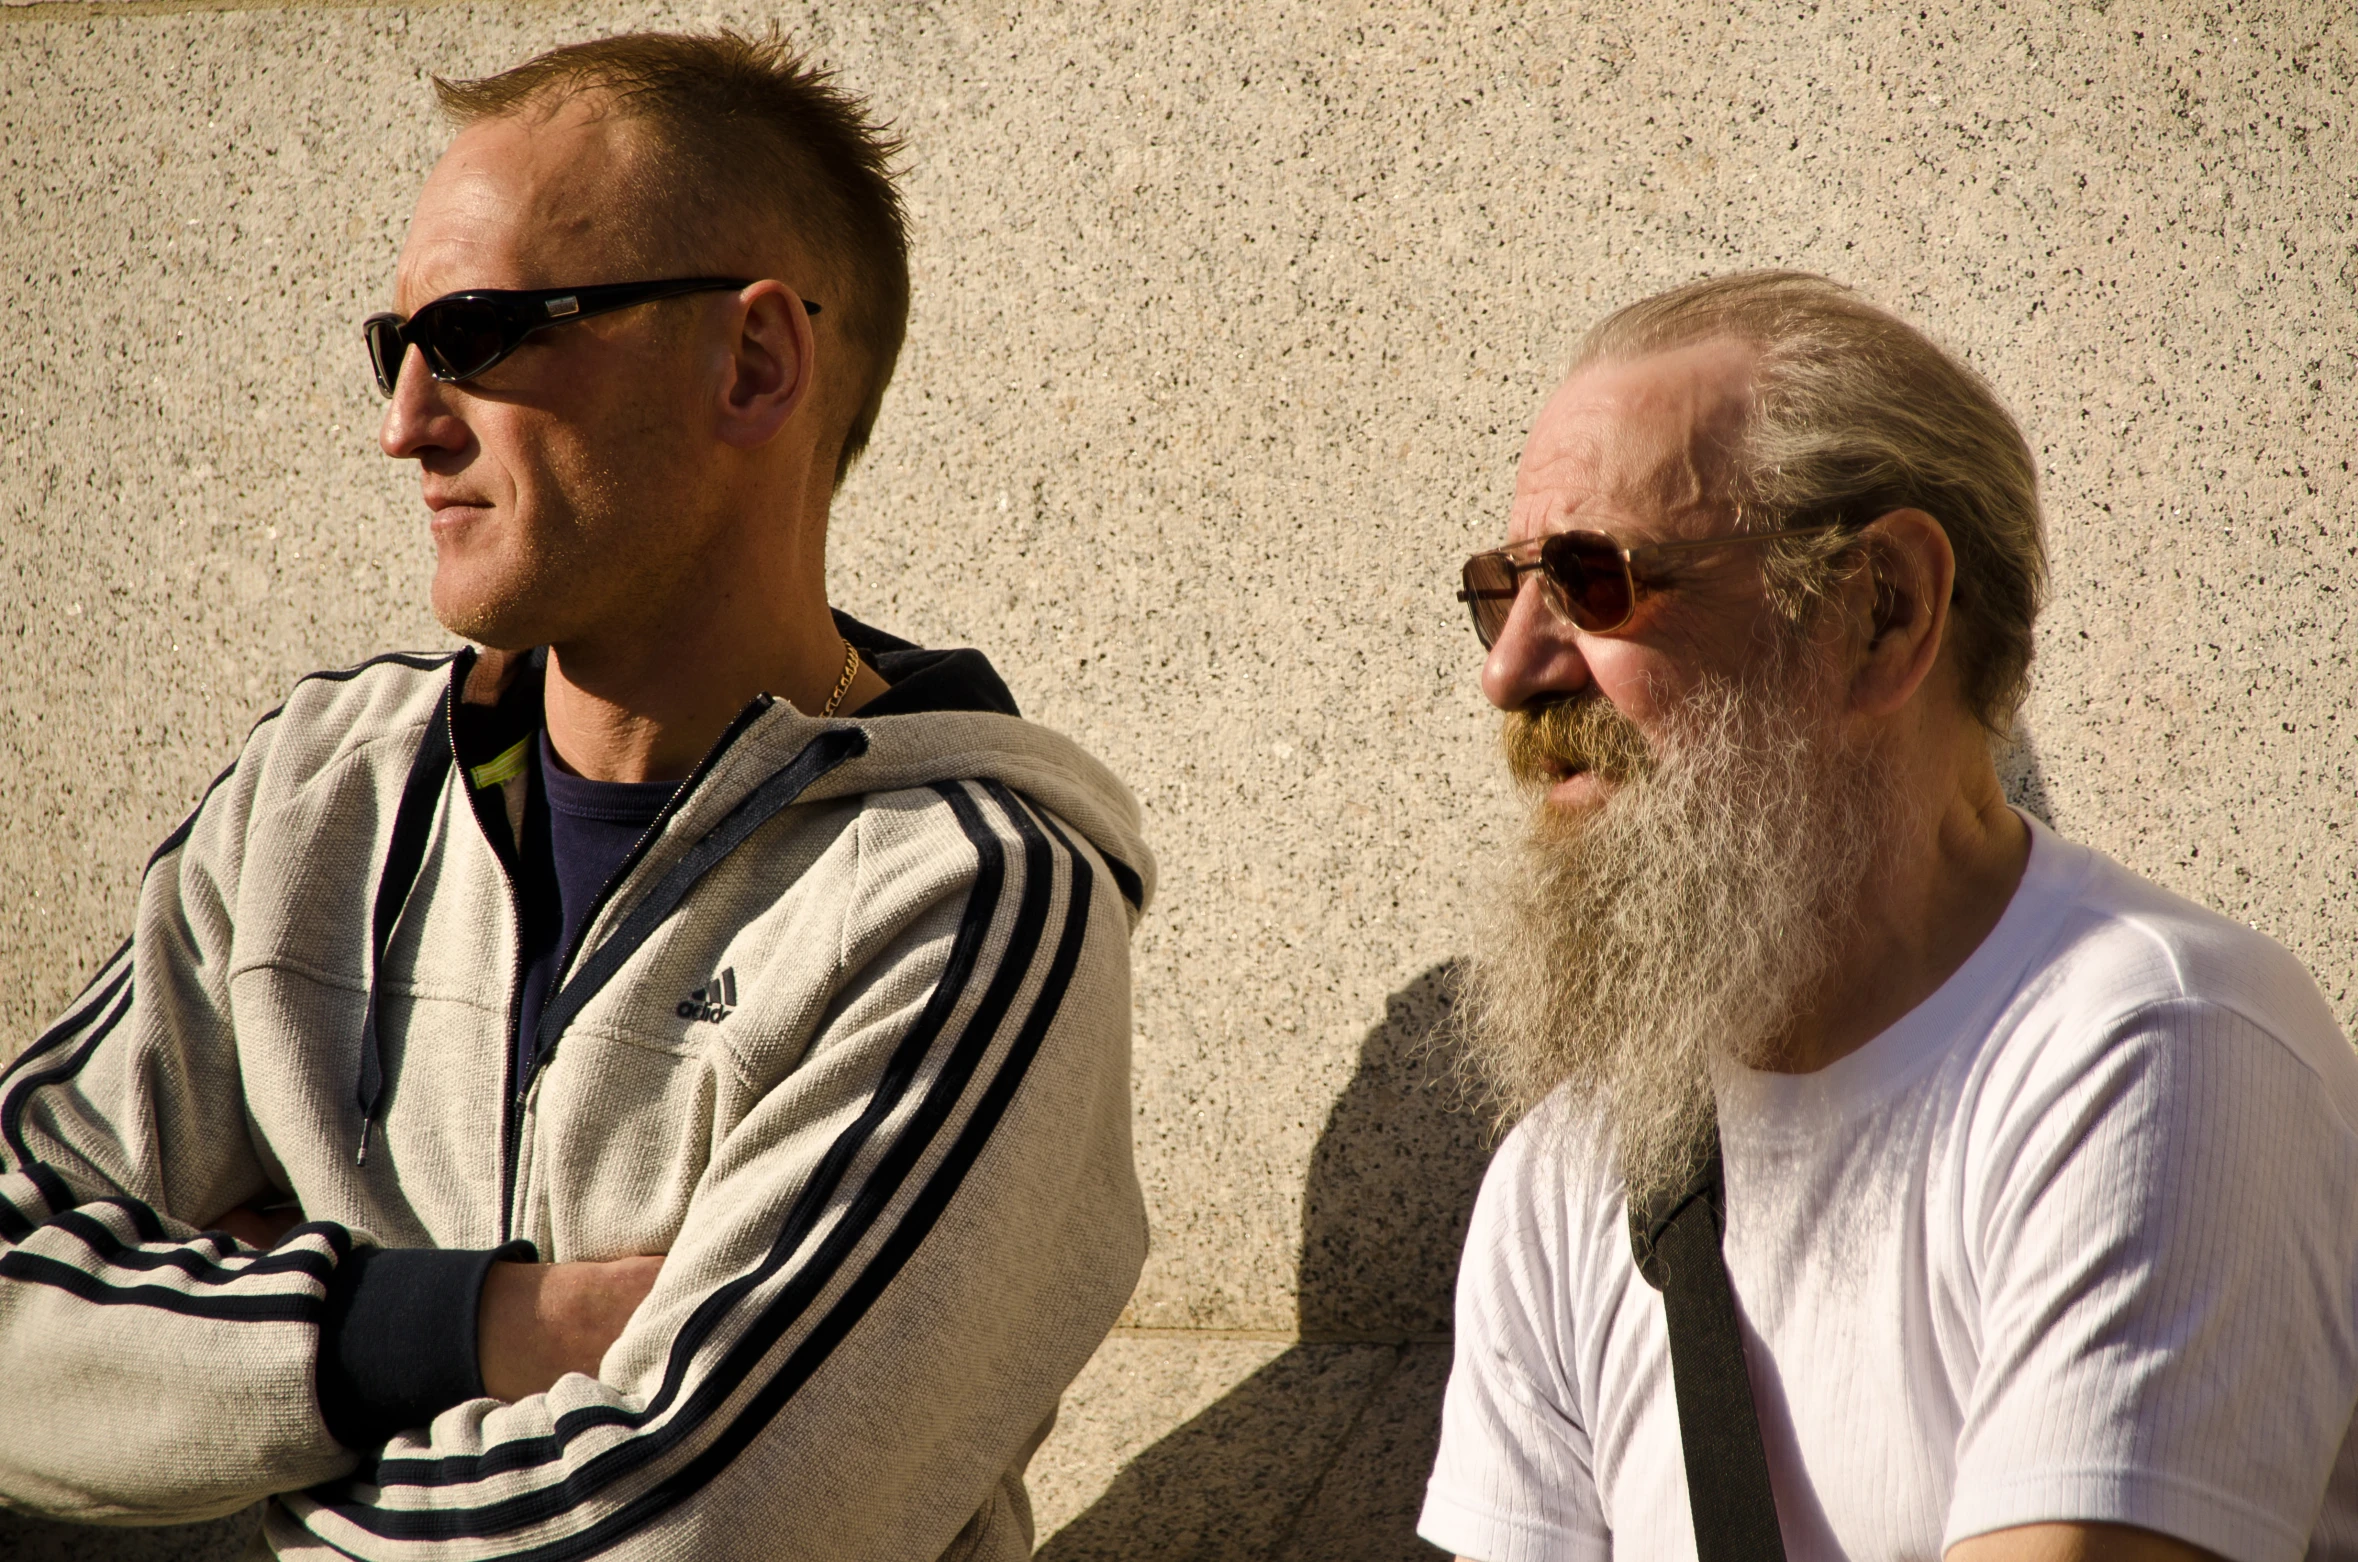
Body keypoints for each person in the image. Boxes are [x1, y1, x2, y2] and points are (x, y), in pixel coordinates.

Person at [0, 30, 1152, 1561]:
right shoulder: (320, 797)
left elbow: (677, 1530)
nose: (405, 421)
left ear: (750, 364)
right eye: (392, 345)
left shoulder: (965, 897)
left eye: (477, 333)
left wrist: (187, 1440)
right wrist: (457, 1327)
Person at [1419, 271, 2358, 1561]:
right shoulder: (1571, 1170)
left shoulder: (2151, 1051)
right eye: (1500, 588)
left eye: (1591, 582)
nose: (1508, 671)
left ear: (1881, 612)